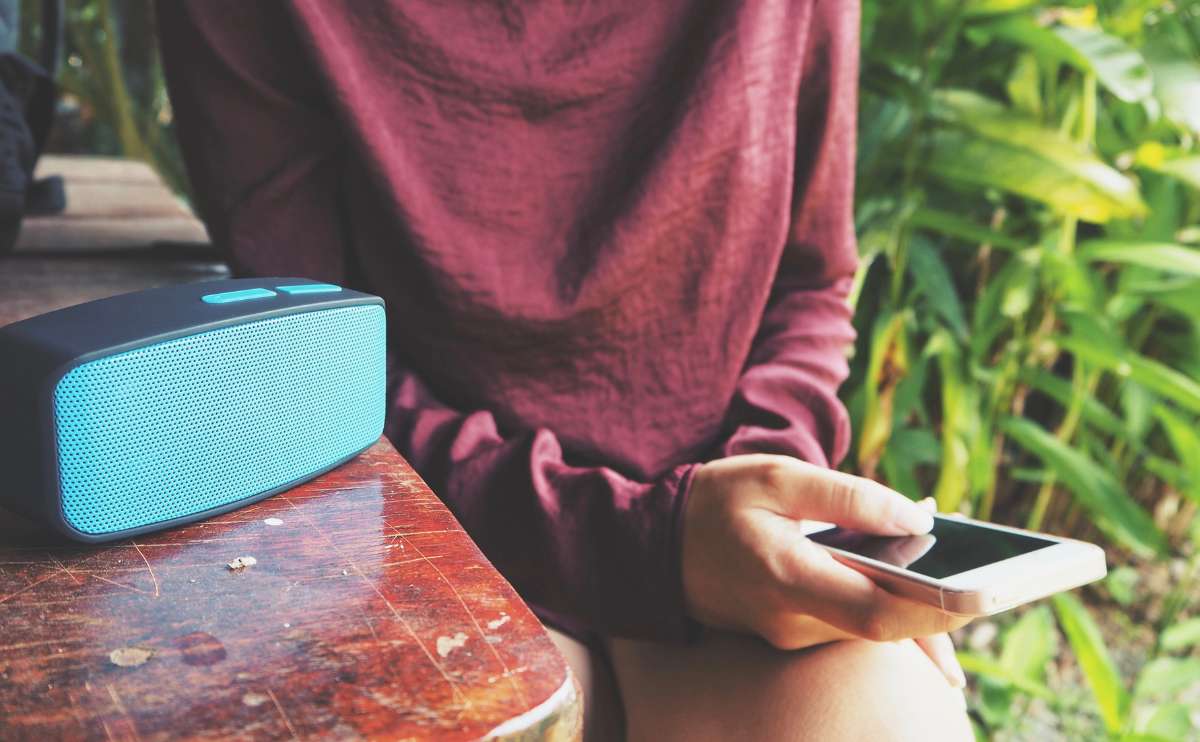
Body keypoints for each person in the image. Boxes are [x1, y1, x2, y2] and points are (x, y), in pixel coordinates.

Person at [157, 2, 973, 739]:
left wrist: (773, 505)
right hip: (438, 540)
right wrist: (643, 548)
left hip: (725, 545)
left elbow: (808, 277)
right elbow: (314, 358)